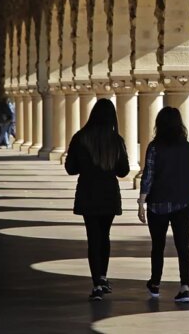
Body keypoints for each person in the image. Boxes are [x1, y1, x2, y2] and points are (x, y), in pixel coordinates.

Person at [64, 98, 130, 301]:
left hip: (88, 193)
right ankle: (103, 276)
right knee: (105, 236)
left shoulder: (80, 137)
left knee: (93, 238)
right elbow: (123, 171)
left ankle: (97, 284)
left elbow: (70, 168)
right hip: (109, 194)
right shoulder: (115, 140)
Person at [137, 107, 189, 304]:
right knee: (183, 246)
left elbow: (148, 175)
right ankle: (185, 287)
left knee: (158, 245)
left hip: (158, 203)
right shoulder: (188, 148)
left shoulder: (155, 147)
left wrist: (141, 202)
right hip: (183, 202)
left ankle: (155, 283)